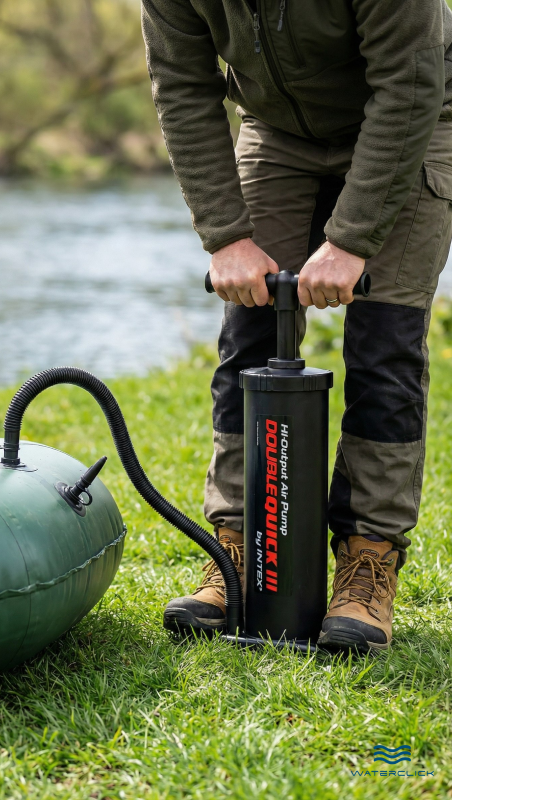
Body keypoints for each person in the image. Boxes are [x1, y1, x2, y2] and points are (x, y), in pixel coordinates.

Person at [142, 0, 452, 650]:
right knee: (248, 335)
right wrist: (226, 236)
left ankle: (368, 561)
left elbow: (408, 84)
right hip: (277, 131)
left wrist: (352, 239)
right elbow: (182, 86)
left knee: (385, 345)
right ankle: (237, 550)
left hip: (411, 118)